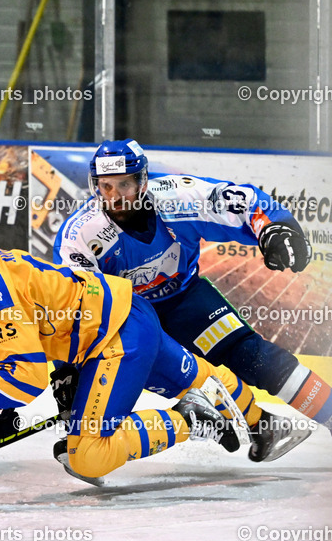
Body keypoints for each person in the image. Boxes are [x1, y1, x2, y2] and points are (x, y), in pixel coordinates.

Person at [0, 209, 298, 483]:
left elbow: (26, 374)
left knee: (87, 456)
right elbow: (11, 355)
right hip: (131, 312)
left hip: (114, 341)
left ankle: (191, 420)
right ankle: (262, 423)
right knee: (196, 377)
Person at [53, 139, 329, 448]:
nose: (115, 197)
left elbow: (244, 201)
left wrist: (276, 227)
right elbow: (74, 308)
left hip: (186, 302)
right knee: (194, 384)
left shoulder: (176, 196)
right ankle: (256, 425)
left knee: (253, 357)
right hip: (131, 322)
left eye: (124, 184)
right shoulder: (80, 236)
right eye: (106, 186)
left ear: (143, 181)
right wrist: (67, 370)